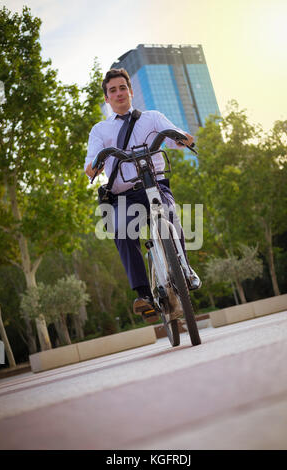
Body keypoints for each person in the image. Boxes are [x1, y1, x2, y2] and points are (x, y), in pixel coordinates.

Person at [85, 68, 201, 322]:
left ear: (131, 91)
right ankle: (144, 295)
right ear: (106, 98)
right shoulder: (101, 130)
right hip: (124, 195)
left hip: (156, 185)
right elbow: (90, 165)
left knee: (170, 216)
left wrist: (183, 138)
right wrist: (94, 165)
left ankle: (184, 269)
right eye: (112, 90)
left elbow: (176, 136)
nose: (118, 93)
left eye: (122, 88)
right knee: (123, 229)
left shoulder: (152, 118)